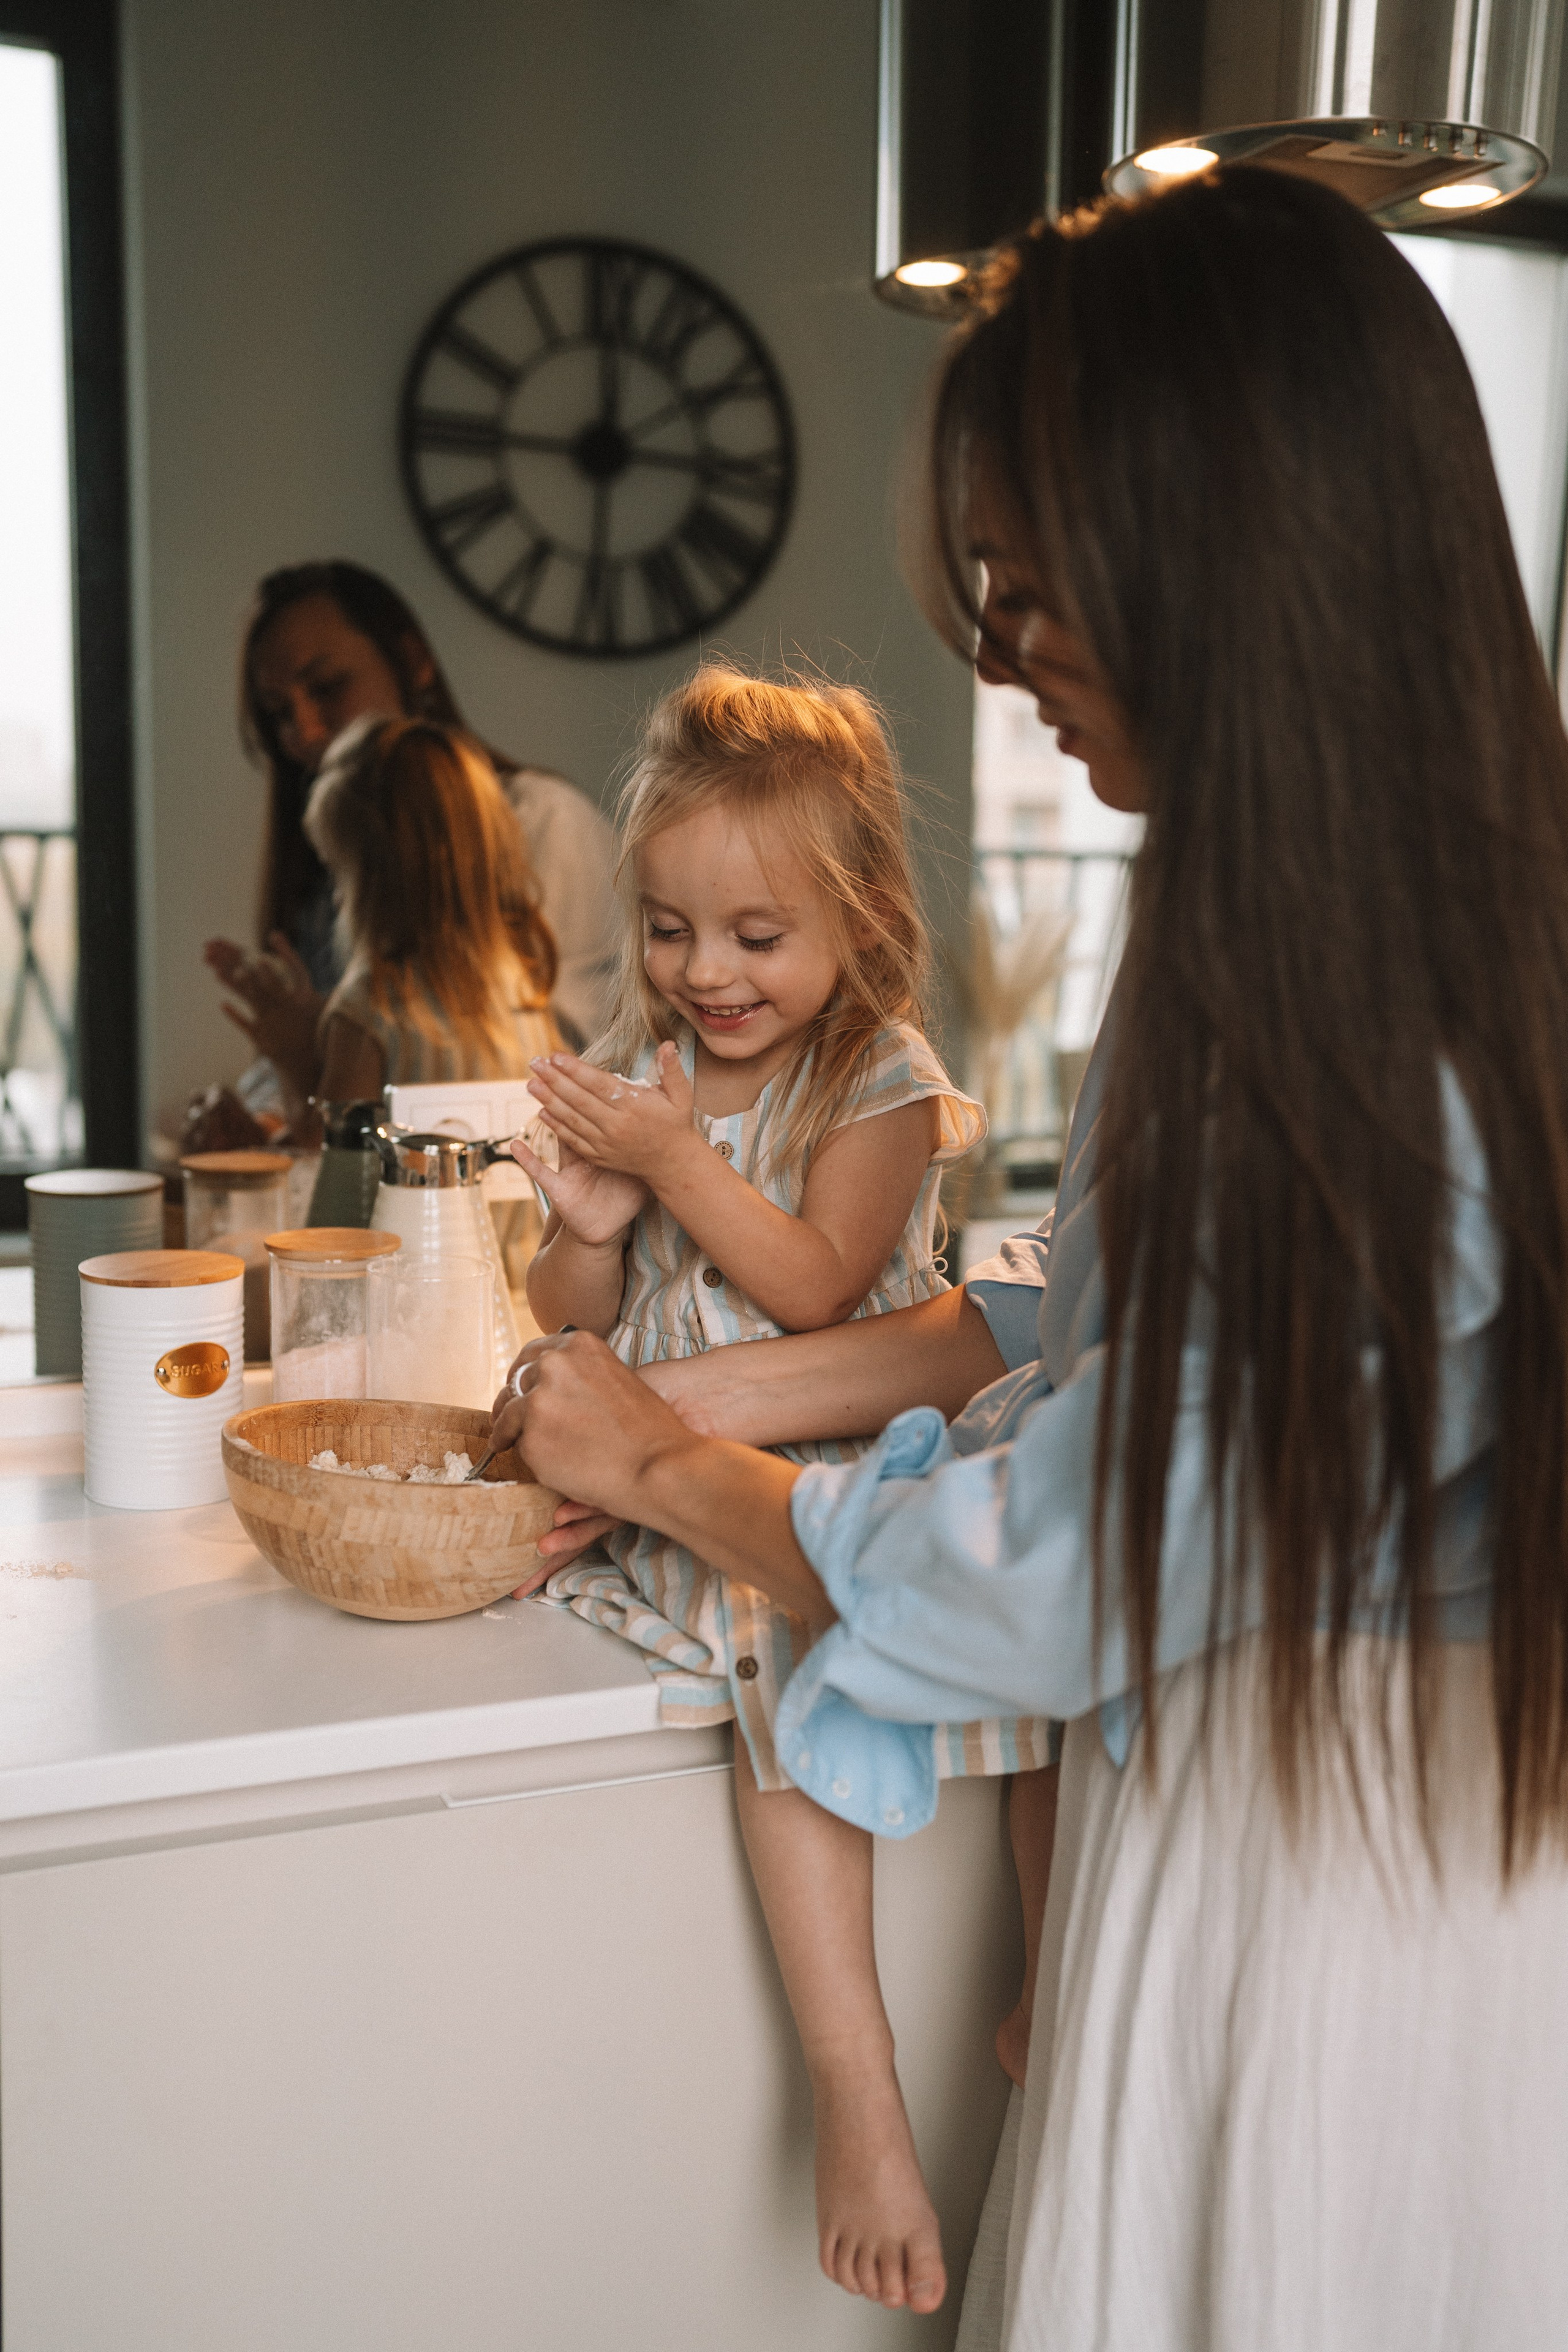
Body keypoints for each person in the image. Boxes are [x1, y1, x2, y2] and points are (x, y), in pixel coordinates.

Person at [489, 164, 1568, 2352]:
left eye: (1022, 578)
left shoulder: (1383, 1003)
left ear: (1211, 549)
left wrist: (675, 1479)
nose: (999, 650)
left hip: (1332, 1879)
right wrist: (693, 1399)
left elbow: (1066, 1568)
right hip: (1289, 1799)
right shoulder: (1310, 898)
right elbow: (1117, 1328)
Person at [511, 665, 1053, 2320]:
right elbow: (579, 1324)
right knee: (776, 1648)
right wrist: (593, 1225)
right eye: (671, 928)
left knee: (1013, 1677)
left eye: (756, 936)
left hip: (849, 1465)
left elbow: (821, 1287)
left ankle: (1013, 1992)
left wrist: (680, 1165)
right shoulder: (649, 1058)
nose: (704, 973)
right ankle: (860, 2074)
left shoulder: (877, 1077)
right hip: (689, 1474)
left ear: (857, 916)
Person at [203, 560, 617, 1101]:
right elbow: (301, 1081)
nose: (304, 731)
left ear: (414, 662)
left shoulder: (546, 821)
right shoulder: (318, 867)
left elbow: (589, 1056)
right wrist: (251, 1107)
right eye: (279, 712)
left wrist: (327, 1048)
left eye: (328, 686)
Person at [298, 715, 559, 1112]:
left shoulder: (368, 1010)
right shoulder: (523, 985)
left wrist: (289, 1060)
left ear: (378, 884)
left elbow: (337, 1166)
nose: (336, 899)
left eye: (340, 874)